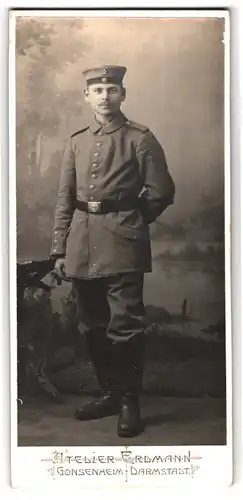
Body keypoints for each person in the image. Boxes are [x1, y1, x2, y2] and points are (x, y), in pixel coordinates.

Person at [50, 65, 175, 437]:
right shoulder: (76, 141)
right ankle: (109, 393)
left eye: (113, 89)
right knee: (92, 324)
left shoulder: (140, 138)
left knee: (125, 325)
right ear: (87, 97)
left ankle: (128, 402)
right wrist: (59, 248)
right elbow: (65, 199)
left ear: (124, 94)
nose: (105, 96)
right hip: (82, 242)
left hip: (122, 242)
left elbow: (161, 192)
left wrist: (130, 223)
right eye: (98, 90)